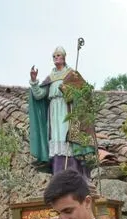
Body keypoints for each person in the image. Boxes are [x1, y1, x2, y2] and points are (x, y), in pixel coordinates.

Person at [28, 46, 88, 177]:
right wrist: (34, 80)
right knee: (56, 138)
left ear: (64, 57)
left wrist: (72, 93)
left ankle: (71, 169)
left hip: (67, 109)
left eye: (58, 55)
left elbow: (82, 93)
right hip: (54, 110)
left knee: (67, 136)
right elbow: (39, 95)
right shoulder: (51, 77)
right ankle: (58, 171)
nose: (56, 57)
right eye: (54, 56)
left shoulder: (71, 74)